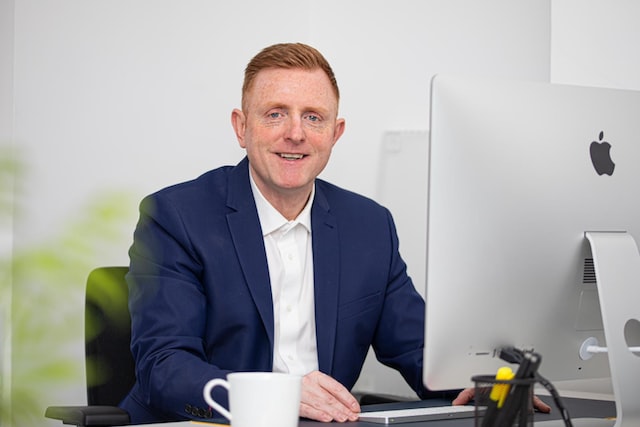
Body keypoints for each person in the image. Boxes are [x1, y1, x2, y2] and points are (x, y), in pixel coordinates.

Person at [119, 42, 550, 424]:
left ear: (335, 133)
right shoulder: (176, 216)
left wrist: (475, 386)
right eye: (275, 114)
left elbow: (417, 348)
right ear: (241, 127)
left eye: (313, 117)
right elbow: (165, 367)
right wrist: (279, 397)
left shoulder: (369, 225)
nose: (295, 133)